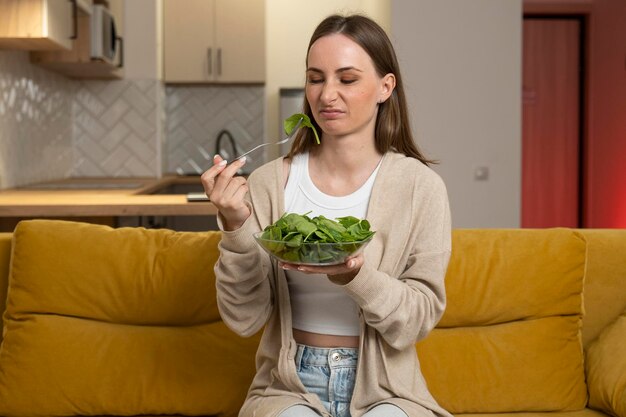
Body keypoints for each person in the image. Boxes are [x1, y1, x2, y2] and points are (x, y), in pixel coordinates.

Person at [201, 13, 452, 417]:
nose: (326, 94)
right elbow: (244, 319)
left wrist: (356, 275)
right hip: (290, 386)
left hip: (387, 390)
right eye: (316, 78)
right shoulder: (268, 184)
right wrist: (236, 227)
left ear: (385, 87)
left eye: (347, 79)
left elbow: (416, 320)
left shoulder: (419, 188)